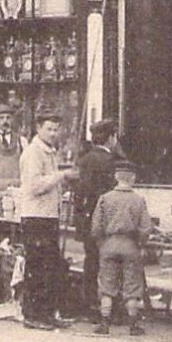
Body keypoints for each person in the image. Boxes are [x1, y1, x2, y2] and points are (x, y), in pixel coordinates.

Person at [17, 109, 75, 330]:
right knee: (38, 266)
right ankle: (32, 314)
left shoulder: (50, 152)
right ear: (38, 128)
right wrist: (61, 176)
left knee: (50, 266)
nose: (53, 133)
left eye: (56, 129)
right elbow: (35, 186)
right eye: (48, 129)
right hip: (35, 215)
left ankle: (47, 312)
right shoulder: (33, 153)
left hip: (49, 215)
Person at [89, 157, 153, 336]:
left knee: (107, 285)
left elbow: (95, 227)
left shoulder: (105, 198)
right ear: (133, 178)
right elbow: (146, 228)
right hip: (130, 245)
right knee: (132, 286)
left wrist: (102, 243)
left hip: (109, 244)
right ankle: (133, 325)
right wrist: (140, 243)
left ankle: (104, 324)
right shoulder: (139, 200)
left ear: (116, 176)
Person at [76, 120, 121, 320]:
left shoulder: (84, 160)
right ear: (112, 138)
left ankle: (90, 304)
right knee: (111, 263)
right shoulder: (113, 162)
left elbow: (80, 193)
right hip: (108, 221)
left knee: (91, 261)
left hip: (88, 218)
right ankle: (111, 307)